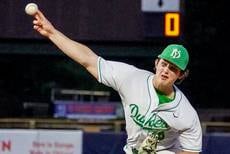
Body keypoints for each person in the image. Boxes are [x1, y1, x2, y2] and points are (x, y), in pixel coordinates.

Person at [31, 9, 202, 154]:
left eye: (173, 68)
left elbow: (191, 151)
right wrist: (52, 32)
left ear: (181, 75)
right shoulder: (131, 78)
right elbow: (88, 59)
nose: (166, 70)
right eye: (164, 64)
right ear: (156, 63)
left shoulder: (186, 114)